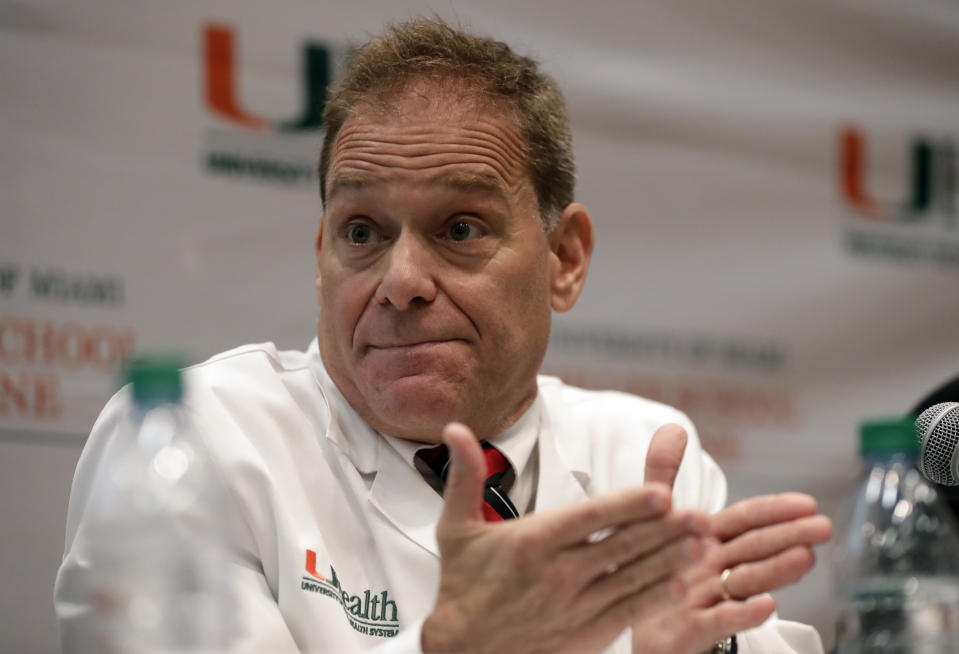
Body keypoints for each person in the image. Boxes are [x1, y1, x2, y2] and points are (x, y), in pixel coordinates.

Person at [55, 17, 833, 654]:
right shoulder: (189, 438)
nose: (399, 282)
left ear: (564, 258)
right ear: (320, 257)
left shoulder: (646, 456)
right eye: (360, 231)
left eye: (459, 228)